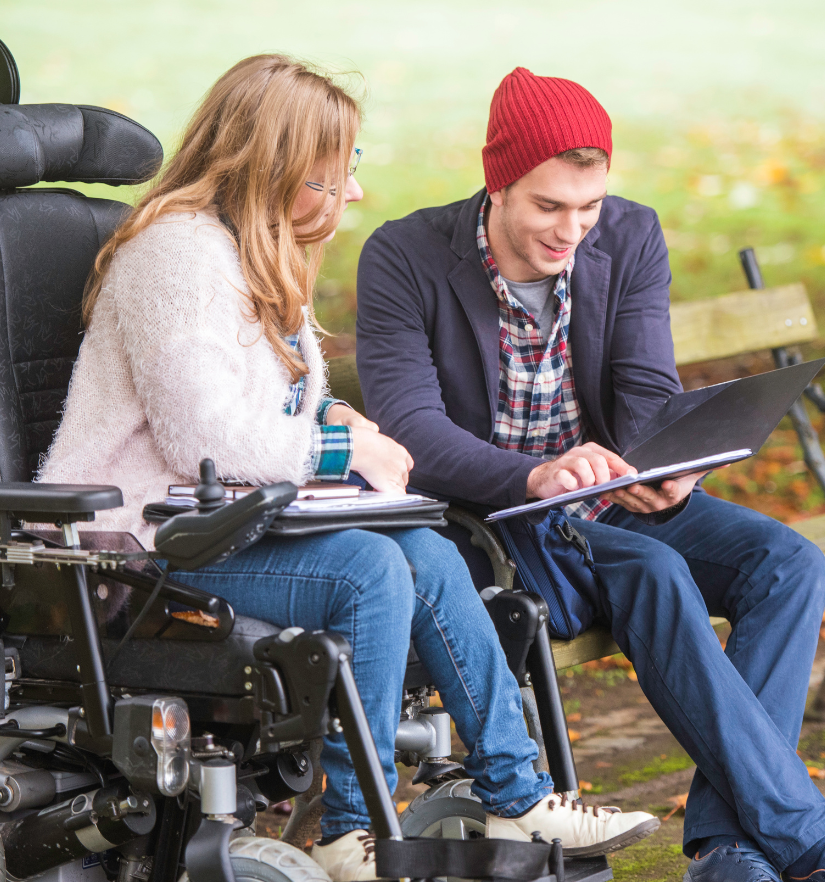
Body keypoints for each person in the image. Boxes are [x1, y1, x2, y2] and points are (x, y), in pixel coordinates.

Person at [38, 57, 659, 882]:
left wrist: (334, 418)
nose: (351, 199)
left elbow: (268, 409)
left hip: (219, 524)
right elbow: (204, 438)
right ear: (271, 167)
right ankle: (349, 828)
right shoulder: (177, 253)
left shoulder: (252, 253)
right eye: (331, 180)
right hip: (135, 544)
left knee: (429, 550)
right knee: (367, 568)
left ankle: (519, 793)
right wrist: (341, 449)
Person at [355, 67, 825, 882]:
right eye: (547, 206)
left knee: (787, 563)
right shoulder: (404, 255)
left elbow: (644, 390)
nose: (571, 229)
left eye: (588, 206)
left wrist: (666, 463)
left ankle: (727, 845)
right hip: (493, 518)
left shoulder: (629, 235)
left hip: (609, 495)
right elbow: (411, 430)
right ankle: (795, 837)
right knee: (653, 568)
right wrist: (536, 476)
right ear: (496, 182)